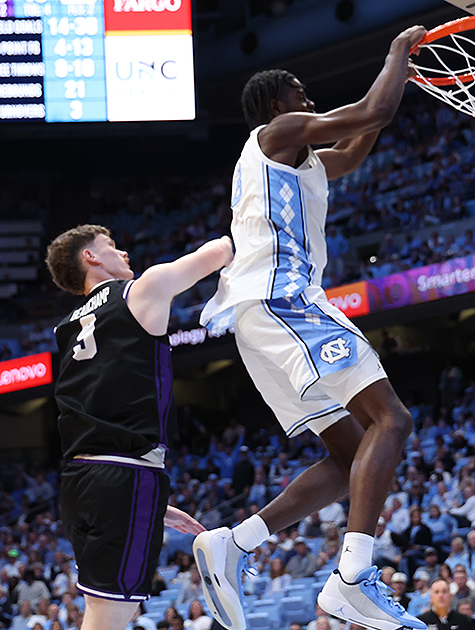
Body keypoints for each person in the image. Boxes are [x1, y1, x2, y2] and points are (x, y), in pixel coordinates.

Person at [193, 24, 429, 630]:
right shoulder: (277, 133)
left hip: (257, 317)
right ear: (277, 104)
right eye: (300, 91)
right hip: (283, 300)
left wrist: (404, 82)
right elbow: (370, 109)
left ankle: (236, 542)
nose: (310, 99)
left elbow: (352, 147)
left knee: (353, 452)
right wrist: (398, 56)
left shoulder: (295, 157)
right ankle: (352, 579)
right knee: (393, 419)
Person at [45, 225, 232, 630]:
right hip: (123, 475)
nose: (124, 252)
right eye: (111, 246)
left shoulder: (67, 328)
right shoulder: (141, 291)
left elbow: (103, 403)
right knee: (108, 617)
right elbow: (221, 250)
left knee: (113, 609)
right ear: (90, 258)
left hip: (81, 481)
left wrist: (154, 507)